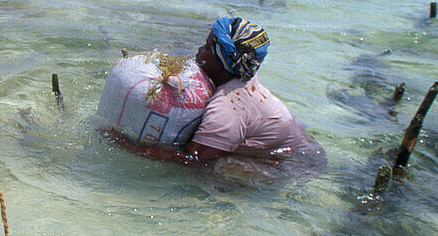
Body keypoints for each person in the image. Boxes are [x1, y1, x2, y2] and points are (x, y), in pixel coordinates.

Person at [112, 17, 312, 165]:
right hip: (298, 145)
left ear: (225, 61)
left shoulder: (228, 107)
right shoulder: (243, 77)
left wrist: (129, 146)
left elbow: (194, 159)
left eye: (208, 47)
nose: (199, 49)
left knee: (223, 178)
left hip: (292, 163)